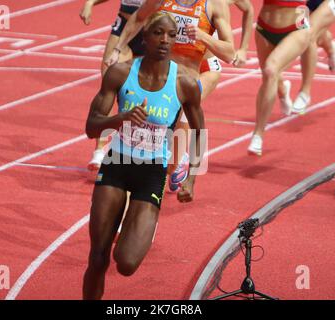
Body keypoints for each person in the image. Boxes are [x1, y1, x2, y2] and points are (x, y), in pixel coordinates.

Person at [83, 12, 205, 300]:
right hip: (117, 163)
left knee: (125, 263)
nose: (165, 40)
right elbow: (90, 127)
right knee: (98, 257)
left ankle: (138, 223)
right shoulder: (121, 73)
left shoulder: (185, 83)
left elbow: (200, 131)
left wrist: (192, 180)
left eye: (171, 35)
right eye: (158, 33)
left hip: (151, 172)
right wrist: (120, 119)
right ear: (144, 37)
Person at [104, 0, 236, 191]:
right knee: (141, 136)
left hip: (186, 85)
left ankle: (178, 161)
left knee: (173, 153)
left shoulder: (214, 5)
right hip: (158, 80)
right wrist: (118, 49)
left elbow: (229, 53)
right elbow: (139, 17)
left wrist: (202, 36)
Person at [247, 0, 335, 156]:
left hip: (297, 26)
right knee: (270, 76)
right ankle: (283, 90)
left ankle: (258, 134)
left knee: (271, 69)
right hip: (265, 27)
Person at [80, 0, 146, 171]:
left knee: (147, 93)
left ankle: (165, 153)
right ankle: (100, 150)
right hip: (124, 26)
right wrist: (90, 3)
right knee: (109, 83)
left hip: (152, 29)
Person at [292, 0, 335, 113]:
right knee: (311, 32)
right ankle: (331, 48)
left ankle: (305, 92)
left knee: (308, 32)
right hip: (307, 2)